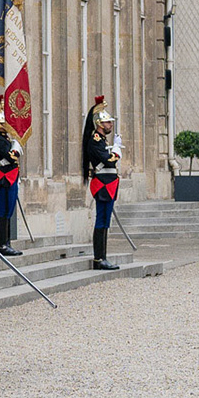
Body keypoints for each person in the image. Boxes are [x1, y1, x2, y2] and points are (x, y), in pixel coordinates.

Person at [84, 96, 121, 270]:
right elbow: (109, 161)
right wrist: (116, 151)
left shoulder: (102, 140)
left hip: (108, 183)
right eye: (107, 122)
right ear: (99, 124)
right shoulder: (95, 140)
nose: (110, 125)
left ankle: (103, 256)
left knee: (106, 222)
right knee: (101, 220)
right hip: (103, 184)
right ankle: (99, 258)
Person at [0, 98, 25, 256]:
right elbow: (10, 157)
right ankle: (3, 244)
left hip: (10, 175)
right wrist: (16, 148)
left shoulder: (4, 138)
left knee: (9, 210)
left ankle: (7, 242)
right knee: (5, 210)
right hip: (4, 177)